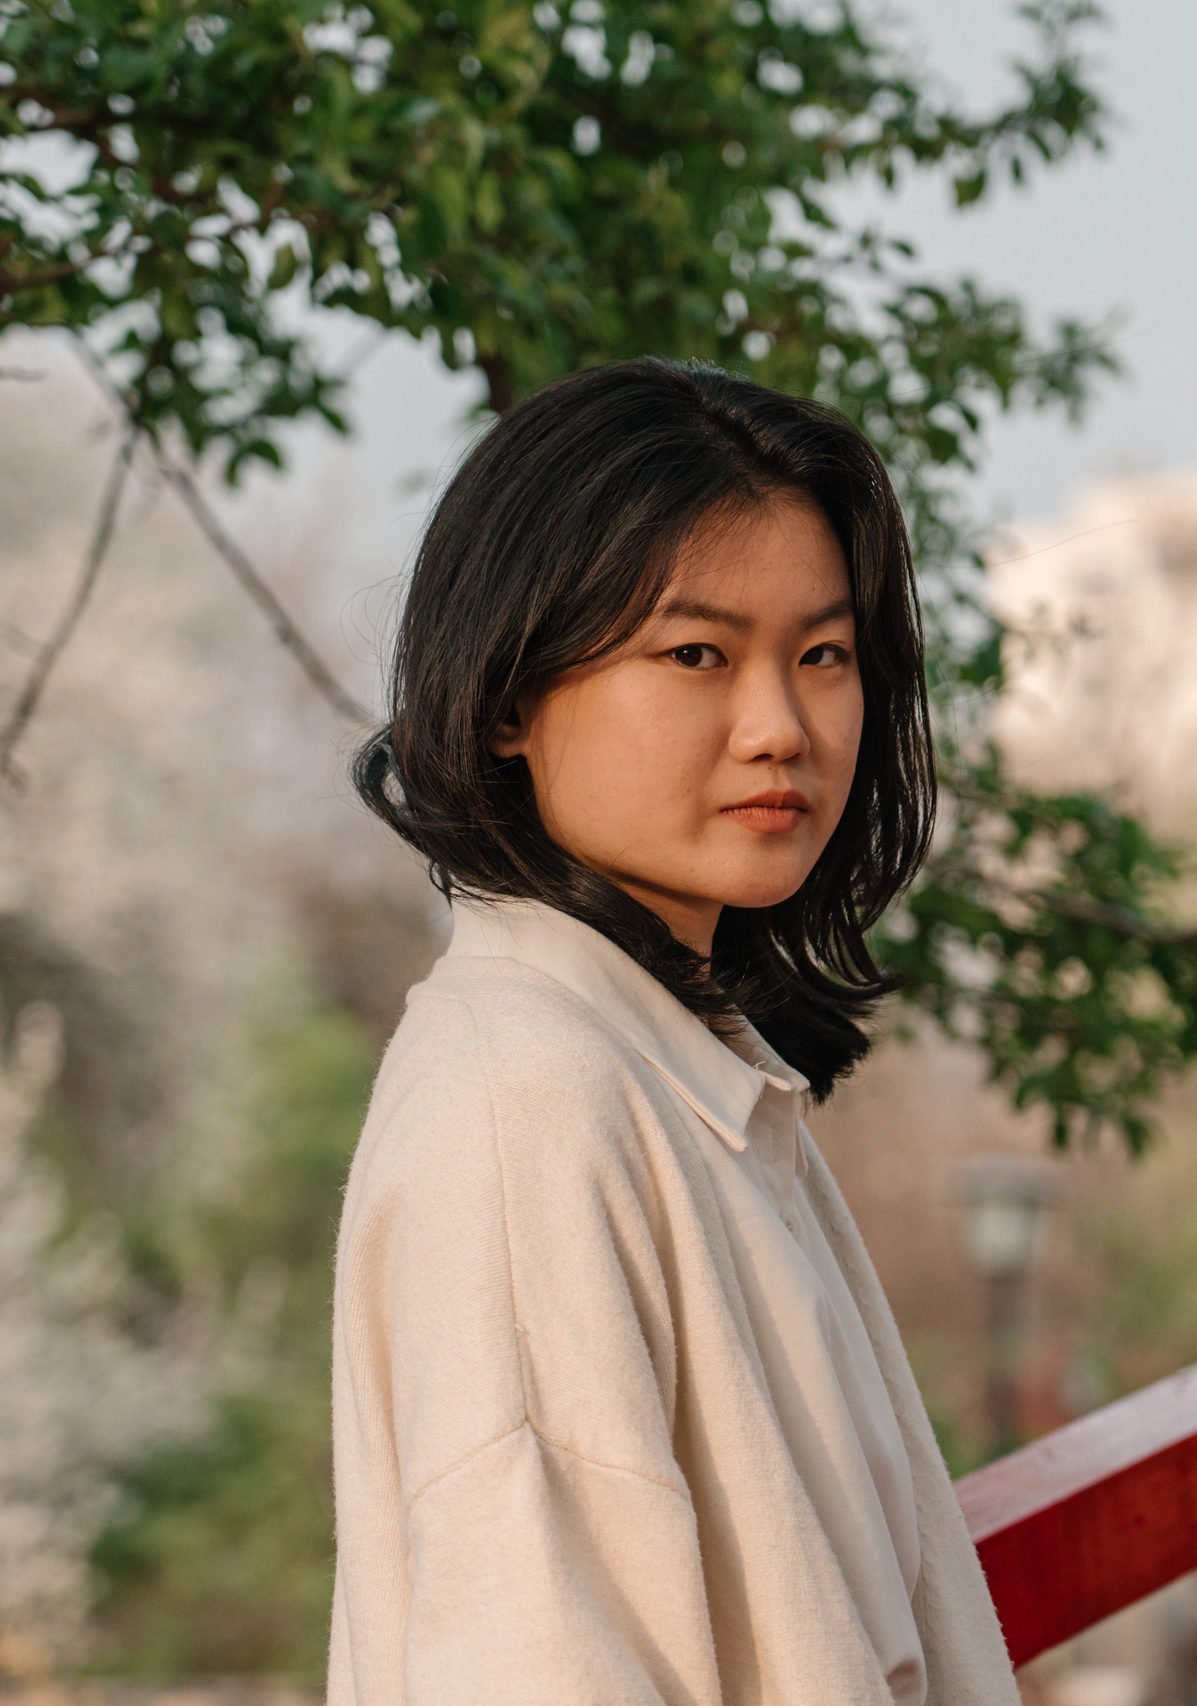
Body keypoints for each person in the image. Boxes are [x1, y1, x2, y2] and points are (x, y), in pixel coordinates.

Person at [329, 358, 1018, 1705]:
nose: (780, 727)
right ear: (512, 695)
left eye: (820, 655)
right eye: (696, 653)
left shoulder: (679, 1070)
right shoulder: (526, 1102)